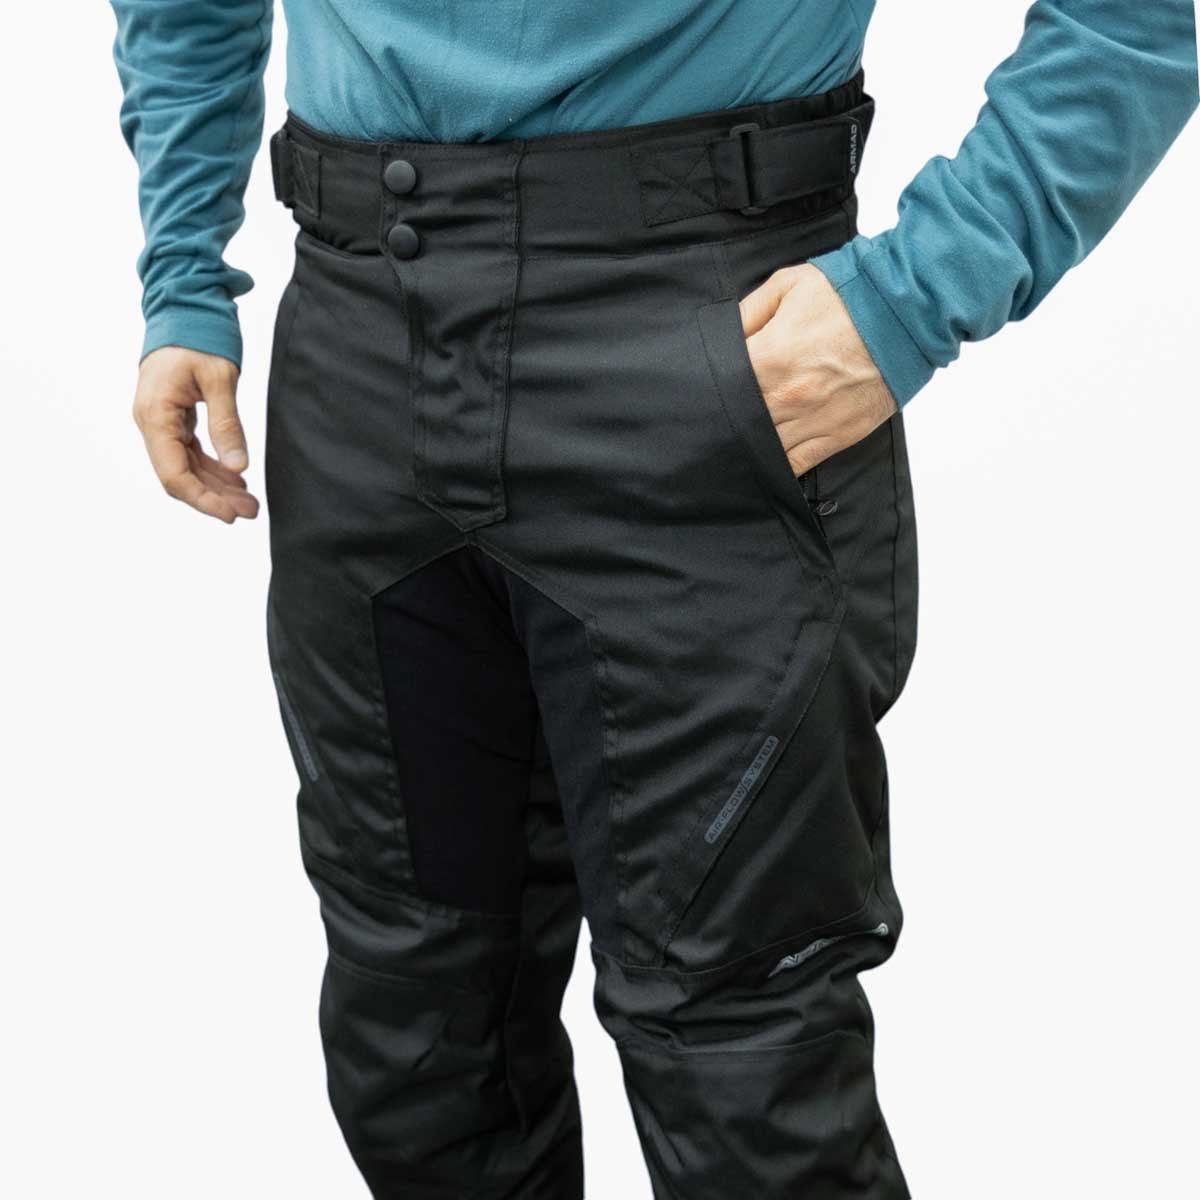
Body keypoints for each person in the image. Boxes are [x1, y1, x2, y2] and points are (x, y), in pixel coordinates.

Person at [110, 2, 1198, 1196]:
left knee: (741, 1068)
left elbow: (1138, 20)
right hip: (361, 346)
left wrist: (913, 293)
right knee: (416, 1039)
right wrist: (183, 269)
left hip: (704, 339)